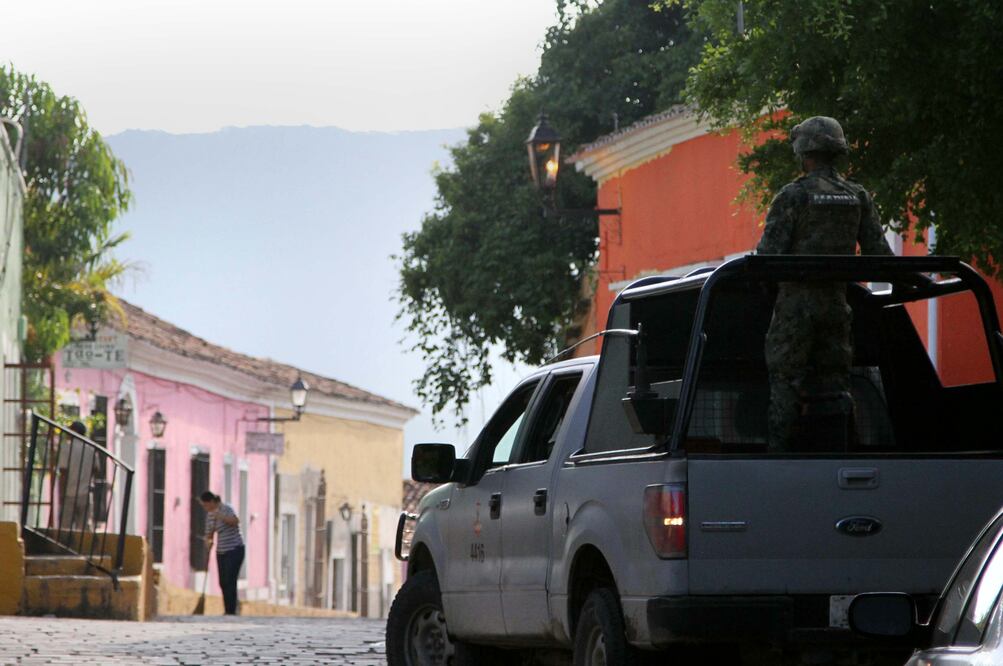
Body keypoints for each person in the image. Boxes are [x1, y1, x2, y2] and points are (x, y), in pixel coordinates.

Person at [756, 116, 893, 452]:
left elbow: (768, 257)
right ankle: (839, 453)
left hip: (795, 309)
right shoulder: (857, 196)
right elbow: (880, 254)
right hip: (836, 307)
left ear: (803, 152)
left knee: (785, 383)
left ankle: (777, 460)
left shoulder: (793, 196)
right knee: (836, 386)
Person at [200, 490, 245, 615]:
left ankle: (231, 610)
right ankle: (228, 608)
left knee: (231, 579)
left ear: (212, 502)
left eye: (206, 505)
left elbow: (235, 521)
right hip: (221, 551)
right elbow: (209, 533)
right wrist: (207, 541)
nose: (205, 508)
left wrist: (220, 517)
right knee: (223, 581)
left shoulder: (227, 508)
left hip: (235, 549)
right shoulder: (210, 516)